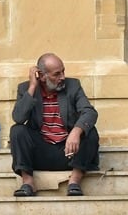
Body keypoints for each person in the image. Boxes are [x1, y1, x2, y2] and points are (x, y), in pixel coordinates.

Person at [10, 53, 99, 197]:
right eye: (57, 74)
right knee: (17, 130)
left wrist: (76, 132)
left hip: (69, 152)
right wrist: (32, 87)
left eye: (63, 71)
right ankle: (28, 182)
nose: (62, 77)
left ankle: (74, 181)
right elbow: (18, 118)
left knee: (89, 130)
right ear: (42, 76)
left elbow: (89, 112)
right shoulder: (25, 89)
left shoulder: (73, 86)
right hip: (40, 152)